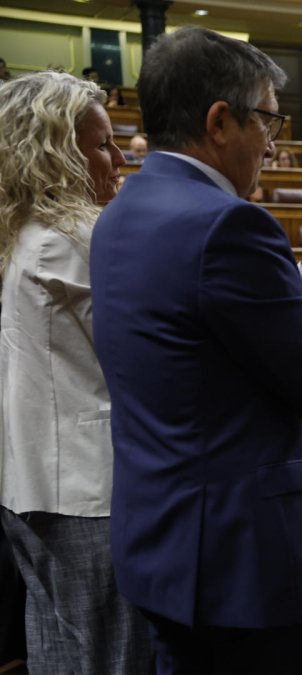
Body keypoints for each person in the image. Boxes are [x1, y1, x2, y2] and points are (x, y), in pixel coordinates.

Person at [89, 27, 302, 671]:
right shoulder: (228, 223)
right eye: (267, 121)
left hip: (167, 553)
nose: (272, 144)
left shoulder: (123, 212)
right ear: (220, 120)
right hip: (251, 572)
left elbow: (226, 330)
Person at [0, 69, 153, 675]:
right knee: (117, 660)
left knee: (61, 660)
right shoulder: (75, 237)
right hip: (89, 494)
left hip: (30, 487)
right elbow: (156, 353)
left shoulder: (23, 234)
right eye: (101, 144)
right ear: (56, 152)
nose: (118, 159)